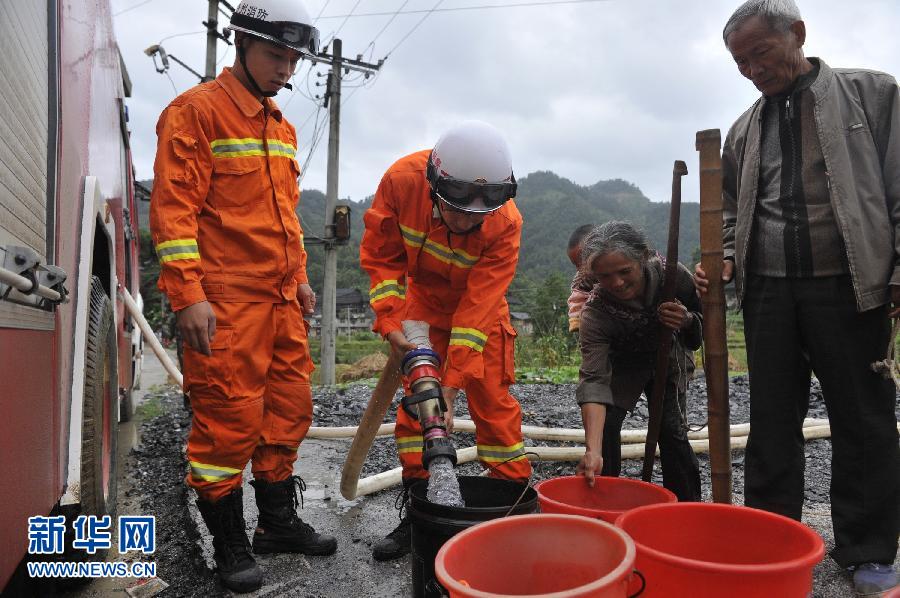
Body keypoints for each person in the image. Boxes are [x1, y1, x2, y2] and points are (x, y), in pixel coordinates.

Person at [695, 1, 899, 593]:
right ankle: (771, 538)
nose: (753, 69)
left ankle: (866, 550)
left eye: (761, 52)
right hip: (769, 291)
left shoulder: (874, 95)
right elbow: (732, 211)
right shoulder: (743, 128)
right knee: (771, 420)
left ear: (798, 34)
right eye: (740, 61)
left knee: (863, 418)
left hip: (852, 284)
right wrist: (727, 255)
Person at [149, 0, 336, 592]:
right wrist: (188, 296)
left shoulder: (279, 124)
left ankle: (276, 524)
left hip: (281, 300)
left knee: (287, 412)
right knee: (228, 421)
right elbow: (173, 213)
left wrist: (302, 278)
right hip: (224, 302)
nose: (286, 68)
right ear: (241, 45)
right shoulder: (195, 113)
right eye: (275, 55)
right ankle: (227, 543)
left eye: (292, 59)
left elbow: (285, 217)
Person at [360, 120, 531, 561]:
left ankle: (513, 507)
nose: (464, 222)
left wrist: (451, 385)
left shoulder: (505, 223)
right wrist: (390, 321)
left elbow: (478, 309)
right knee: (418, 410)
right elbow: (382, 258)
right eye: (455, 211)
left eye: (478, 216)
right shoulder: (401, 183)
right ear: (436, 185)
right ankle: (421, 512)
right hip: (419, 310)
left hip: (481, 315)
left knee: (494, 407)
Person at [576, 222, 702, 502]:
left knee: (671, 432)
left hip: (667, 356)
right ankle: (604, 499)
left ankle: (685, 506)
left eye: (624, 272)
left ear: (643, 256)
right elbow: (594, 381)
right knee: (606, 426)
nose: (617, 283)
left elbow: (703, 321)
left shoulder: (673, 277)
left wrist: (686, 320)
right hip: (624, 364)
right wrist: (592, 451)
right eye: (605, 276)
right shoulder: (595, 314)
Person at [567, 224, 596, 333]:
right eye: (576, 264)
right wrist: (576, 320)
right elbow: (576, 301)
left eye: (582, 260)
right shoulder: (580, 282)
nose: (580, 268)